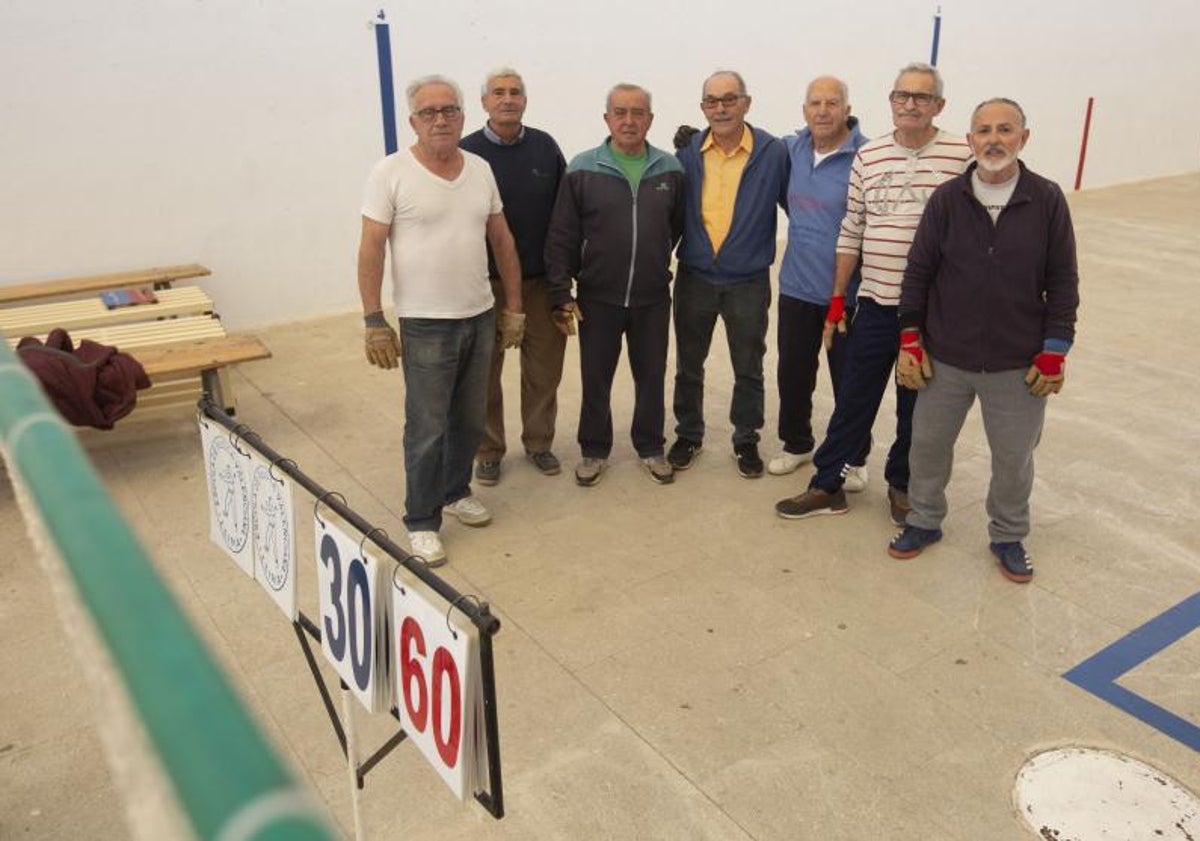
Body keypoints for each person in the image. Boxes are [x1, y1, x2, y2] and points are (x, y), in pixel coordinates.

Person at [887, 98, 1079, 583]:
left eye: (1005, 129)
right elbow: (919, 274)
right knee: (927, 448)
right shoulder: (949, 200)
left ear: (1023, 138)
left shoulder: (1047, 199)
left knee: (1013, 459)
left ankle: (1009, 535)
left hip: (1018, 363)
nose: (994, 139)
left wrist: (1055, 351)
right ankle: (924, 521)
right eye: (983, 130)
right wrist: (911, 340)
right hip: (945, 358)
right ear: (970, 141)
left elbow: (1063, 282)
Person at [775, 61, 972, 523]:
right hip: (873, 305)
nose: (910, 104)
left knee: (913, 409)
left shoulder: (961, 156)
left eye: (921, 97)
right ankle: (827, 485)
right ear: (890, 101)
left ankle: (900, 488)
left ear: (938, 105)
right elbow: (852, 229)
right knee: (853, 402)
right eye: (902, 95)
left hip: (929, 313)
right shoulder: (872, 155)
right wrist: (840, 298)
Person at [357, 75, 525, 566]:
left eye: (448, 110)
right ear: (413, 121)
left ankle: (455, 492)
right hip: (425, 323)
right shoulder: (390, 173)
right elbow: (370, 248)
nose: (440, 120)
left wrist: (513, 307)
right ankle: (422, 518)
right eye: (428, 113)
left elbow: (503, 240)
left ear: (462, 117)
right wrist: (373, 319)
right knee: (427, 426)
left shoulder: (480, 170)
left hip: (479, 315)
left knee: (470, 419)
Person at [544, 83, 684, 486]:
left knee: (652, 376)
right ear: (607, 118)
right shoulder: (583, 168)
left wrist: (654, 262)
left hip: (653, 298)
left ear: (650, 120)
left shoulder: (670, 169)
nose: (629, 120)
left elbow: (675, 228)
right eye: (620, 112)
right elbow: (562, 235)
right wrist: (561, 292)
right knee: (596, 378)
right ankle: (593, 449)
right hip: (597, 298)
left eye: (638, 113)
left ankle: (651, 446)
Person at [668, 70, 789, 478]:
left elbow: (798, 205)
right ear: (703, 107)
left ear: (746, 103)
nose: (720, 108)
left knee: (748, 364)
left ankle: (746, 438)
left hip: (748, 281)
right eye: (712, 101)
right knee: (689, 362)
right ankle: (688, 433)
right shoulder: (687, 152)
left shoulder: (773, 152)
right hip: (695, 276)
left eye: (729, 99)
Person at [460, 68, 567, 486]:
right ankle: (488, 450)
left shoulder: (545, 148)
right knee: (483, 372)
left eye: (515, 92)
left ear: (525, 100)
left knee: (544, 370)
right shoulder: (465, 153)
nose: (508, 99)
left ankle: (539, 443)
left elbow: (564, 218)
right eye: (498, 93)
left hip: (539, 283)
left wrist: (563, 283)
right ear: (484, 102)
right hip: (483, 285)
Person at [769, 75, 870, 490]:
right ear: (804, 110)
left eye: (832, 103)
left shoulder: (867, 155)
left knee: (849, 380)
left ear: (847, 109)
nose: (823, 111)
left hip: (847, 295)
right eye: (815, 103)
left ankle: (855, 458)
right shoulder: (791, 149)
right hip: (796, 286)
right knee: (793, 373)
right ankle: (797, 444)